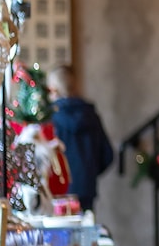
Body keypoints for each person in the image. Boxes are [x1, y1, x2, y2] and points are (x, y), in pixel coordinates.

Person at [47, 64, 114, 212]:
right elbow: (108, 155)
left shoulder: (51, 118)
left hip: (58, 190)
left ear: (54, 89)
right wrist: (89, 171)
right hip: (86, 188)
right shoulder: (91, 115)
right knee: (87, 231)